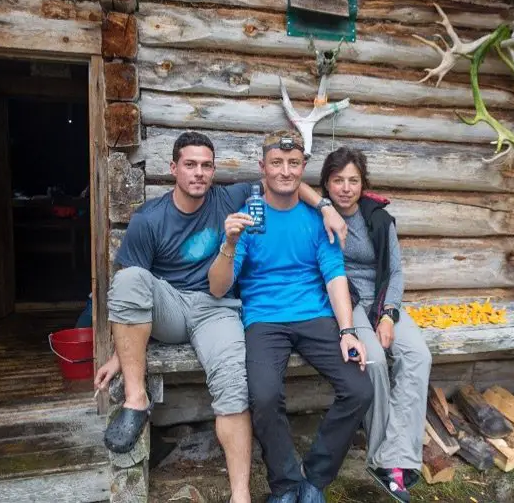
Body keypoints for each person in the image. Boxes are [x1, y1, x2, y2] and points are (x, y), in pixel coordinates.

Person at [93, 131, 347, 503]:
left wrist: (325, 206)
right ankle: (136, 400)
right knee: (129, 278)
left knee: (233, 382)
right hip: (170, 308)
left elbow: (283, 181)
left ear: (213, 171)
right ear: (173, 169)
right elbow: (132, 296)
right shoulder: (149, 219)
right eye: (190, 165)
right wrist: (121, 352)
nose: (199, 173)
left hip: (216, 310)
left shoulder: (228, 197)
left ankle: (240, 493)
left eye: (206, 165)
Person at [208, 131, 374, 503]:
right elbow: (218, 288)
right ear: (262, 168)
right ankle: (285, 484)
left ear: (303, 168)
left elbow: (335, 276)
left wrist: (347, 330)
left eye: (294, 163)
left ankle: (313, 479)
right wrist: (230, 244)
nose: (285, 171)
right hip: (264, 319)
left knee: (360, 388)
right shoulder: (248, 218)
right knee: (263, 396)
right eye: (277, 163)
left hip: (314, 315)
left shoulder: (319, 219)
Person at [319, 147, 432, 503]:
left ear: (363, 184)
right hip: (347, 305)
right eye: (338, 180)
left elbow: (395, 272)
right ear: (326, 183)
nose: (346, 188)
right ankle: (386, 461)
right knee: (375, 362)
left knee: (418, 355)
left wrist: (388, 314)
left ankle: (393, 457)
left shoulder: (380, 220)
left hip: (381, 302)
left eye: (353, 180)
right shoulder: (317, 216)